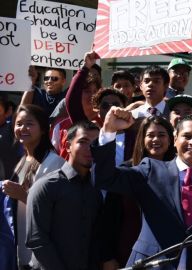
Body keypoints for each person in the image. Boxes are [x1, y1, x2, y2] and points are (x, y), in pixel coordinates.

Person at [92, 111, 192, 269]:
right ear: (175, 139)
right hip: (152, 264)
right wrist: (109, 131)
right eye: (187, 136)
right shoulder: (150, 170)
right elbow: (106, 178)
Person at [100, 116, 176, 268]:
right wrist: (107, 257)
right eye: (150, 135)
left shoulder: (178, 173)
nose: (156, 139)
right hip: (126, 252)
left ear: (171, 140)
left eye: (161, 135)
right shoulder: (128, 172)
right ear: (142, 139)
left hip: (167, 255)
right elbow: (108, 219)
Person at [26, 121, 102, 270]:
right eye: (83, 142)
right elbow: (36, 239)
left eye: (96, 143)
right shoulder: (47, 186)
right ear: (68, 146)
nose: (90, 148)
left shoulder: (96, 190)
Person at [2, 105, 65, 269]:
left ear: (43, 129)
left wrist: (23, 195)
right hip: (22, 247)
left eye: (29, 123)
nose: (22, 128)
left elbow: (58, 210)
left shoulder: (54, 163)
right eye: (18, 123)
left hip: (43, 252)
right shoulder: (23, 160)